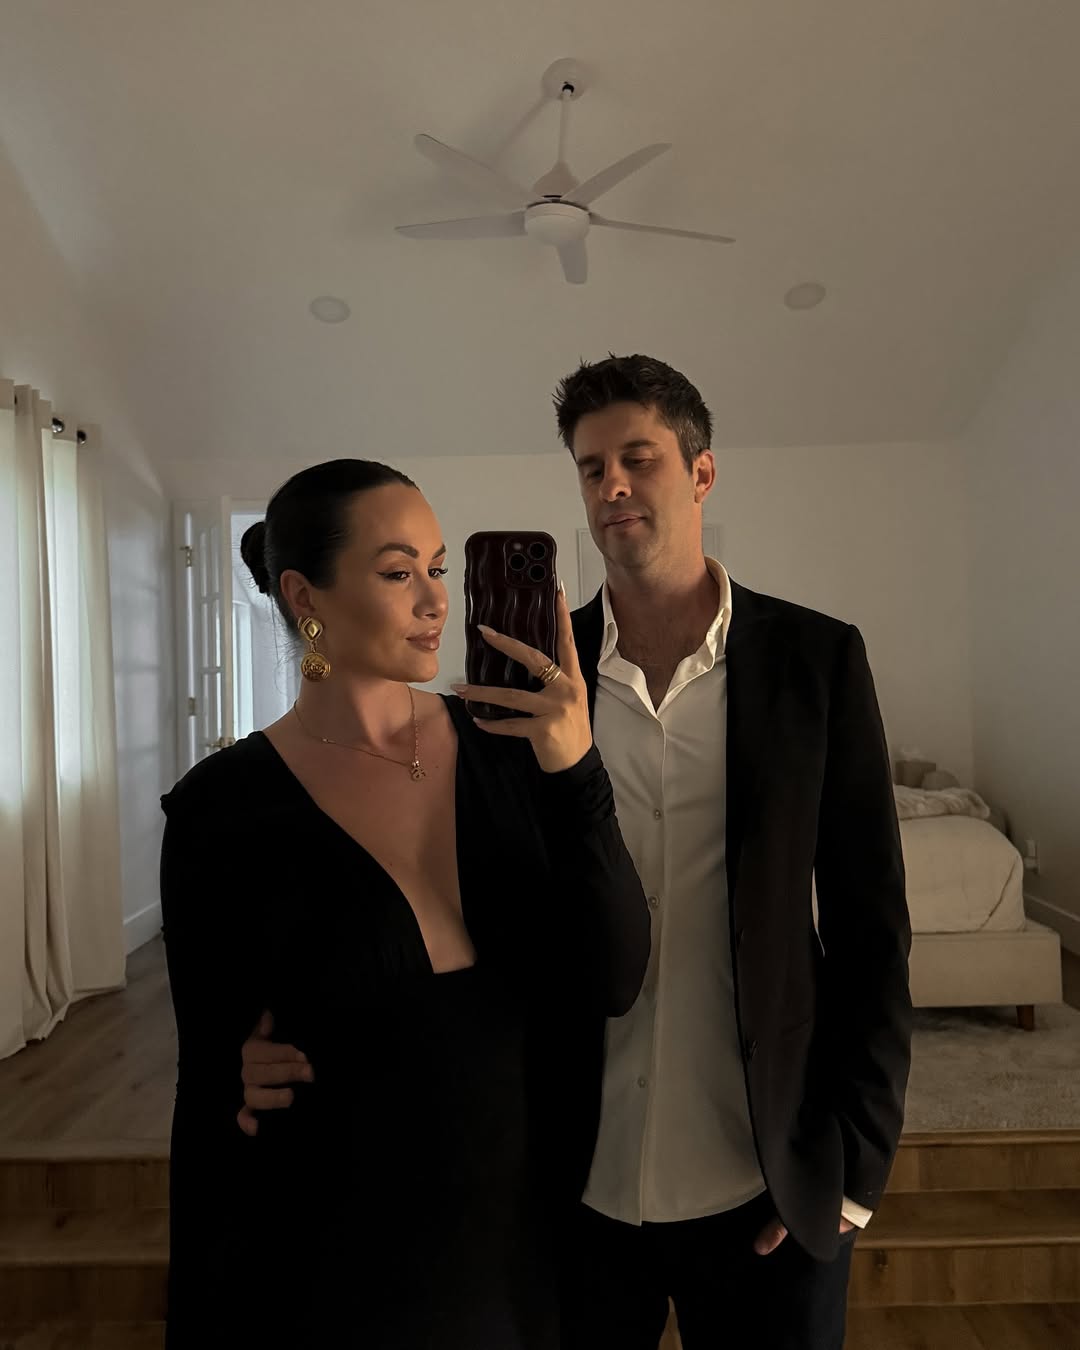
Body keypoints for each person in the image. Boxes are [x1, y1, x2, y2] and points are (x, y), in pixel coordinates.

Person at [238, 357, 913, 1350]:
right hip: (571, 1181)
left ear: (702, 472)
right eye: (592, 468)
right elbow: (455, 915)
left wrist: (857, 1164)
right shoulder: (524, 684)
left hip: (771, 1174)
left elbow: (871, 924)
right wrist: (269, 1033)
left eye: (639, 459)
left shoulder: (816, 662)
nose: (612, 488)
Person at [159, 458, 650, 1349]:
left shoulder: (512, 749)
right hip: (343, 1254)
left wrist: (578, 765)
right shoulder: (221, 811)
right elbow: (211, 1096)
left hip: (533, 1234)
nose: (435, 600)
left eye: (439, 567)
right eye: (398, 573)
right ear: (305, 595)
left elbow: (616, 977)